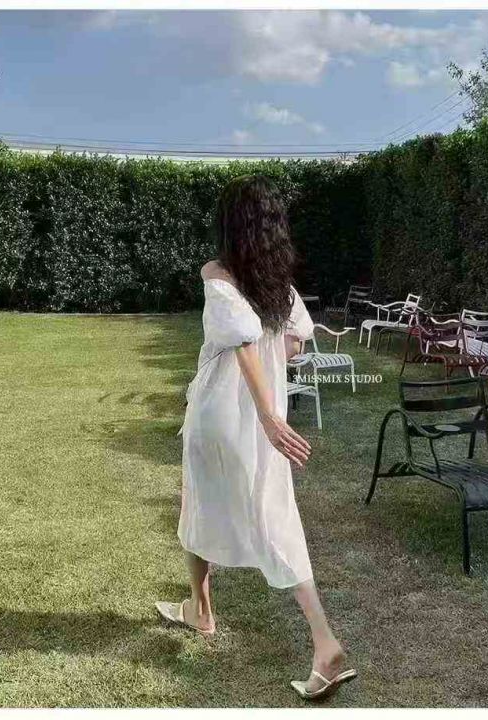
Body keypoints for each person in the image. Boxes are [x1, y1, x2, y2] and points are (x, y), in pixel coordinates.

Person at [155, 175, 356, 700]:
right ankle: (318, 639)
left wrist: (267, 416)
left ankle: (204, 610)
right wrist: (270, 403)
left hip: (227, 413)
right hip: (260, 415)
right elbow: (293, 346)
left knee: (203, 504)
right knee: (271, 516)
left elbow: (244, 343)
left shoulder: (217, 273)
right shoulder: (280, 287)